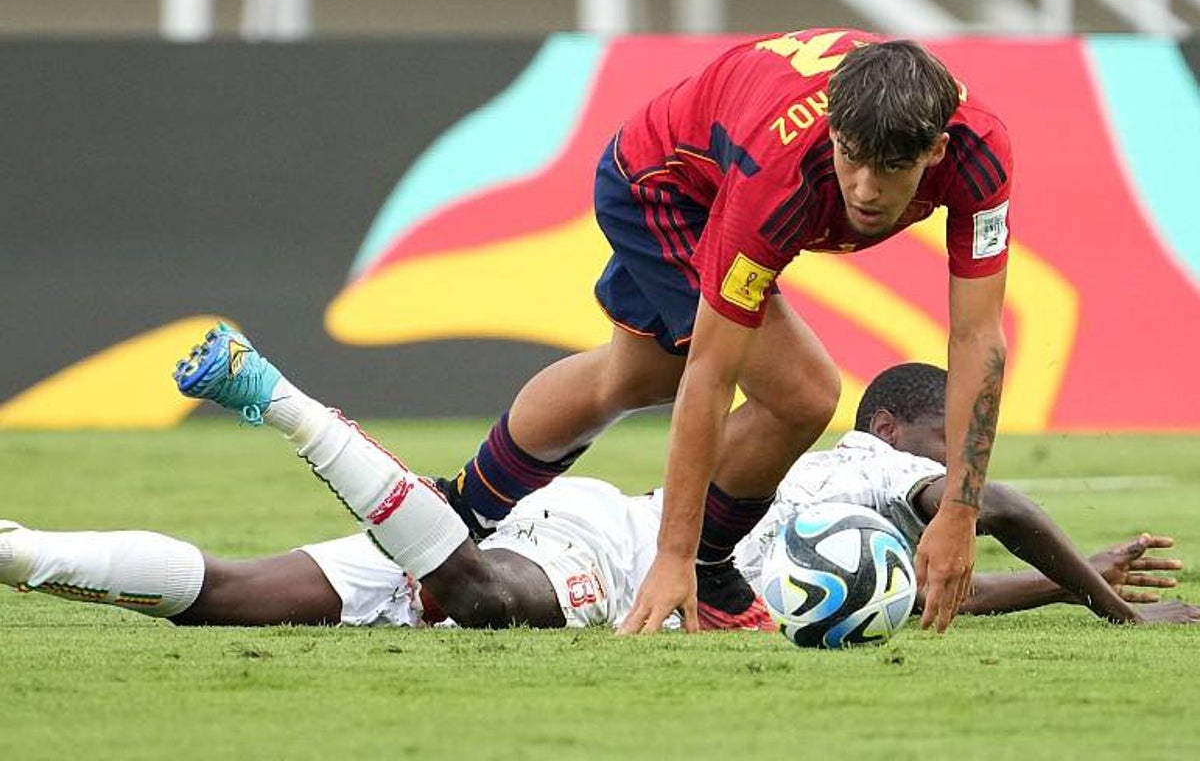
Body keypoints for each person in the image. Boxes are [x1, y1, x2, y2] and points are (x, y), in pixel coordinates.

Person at [415, 28, 1012, 635]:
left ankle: (457, 509)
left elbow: (976, 339)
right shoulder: (779, 178)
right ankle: (707, 567)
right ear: (833, 129)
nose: (865, 188)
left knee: (635, 375)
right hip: (664, 189)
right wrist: (674, 557)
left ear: (936, 151)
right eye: (851, 157)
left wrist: (961, 512)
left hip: (716, 162)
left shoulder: (981, 154)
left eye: (891, 168)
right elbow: (712, 372)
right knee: (801, 395)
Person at [6, 334, 1192, 630]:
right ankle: (278, 397)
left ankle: (10, 547)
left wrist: (1054, 594)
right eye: (951, 447)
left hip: (571, 525)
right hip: (611, 552)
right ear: (900, 428)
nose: (962, 474)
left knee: (223, 597)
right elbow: (1001, 510)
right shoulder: (877, 462)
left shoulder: (859, 545)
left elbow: (916, 592)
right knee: (490, 602)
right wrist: (1115, 607)